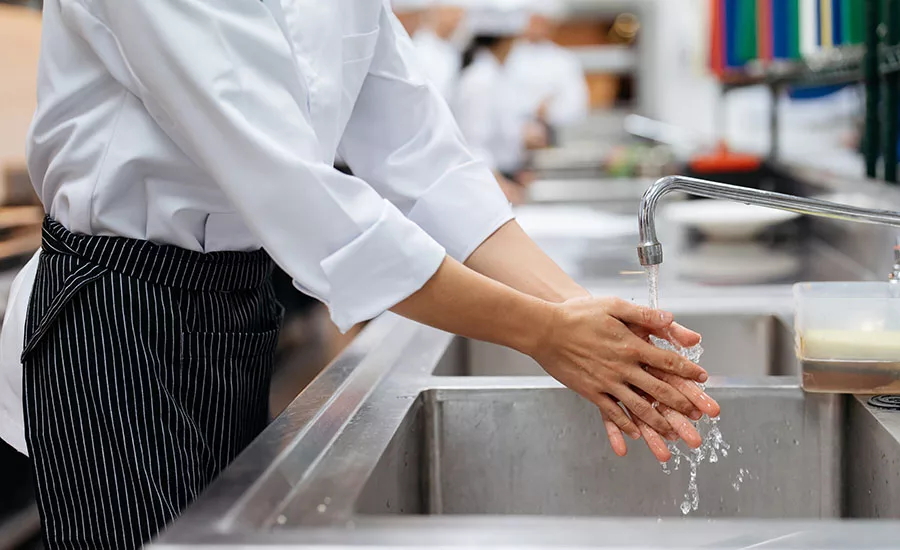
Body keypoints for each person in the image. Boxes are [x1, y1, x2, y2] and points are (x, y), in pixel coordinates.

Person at [0, 0, 719, 548]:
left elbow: (421, 155)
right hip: (118, 315)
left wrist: (584, 315)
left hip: (237, 304)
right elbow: (301, 195)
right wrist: (544, 331)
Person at [452, 0, 546, 202]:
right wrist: (499, 183)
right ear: (505, 41)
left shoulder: (497, 76)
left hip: (504, 178)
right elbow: (473, 145)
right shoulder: (478, 80)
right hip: (488, 185)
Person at [506, 0, 589, 143]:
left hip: (551, 139)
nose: (537, 26)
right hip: (509, 139)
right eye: (534, 20)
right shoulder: (508, 56)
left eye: (543, 21)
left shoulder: (565, 61)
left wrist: (548, 112)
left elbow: (576, 106)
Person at [411, 0, 468, 100]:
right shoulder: (419, 46)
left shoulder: (452, 52)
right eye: (452, 12)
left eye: (460, 13)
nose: (457, 18)